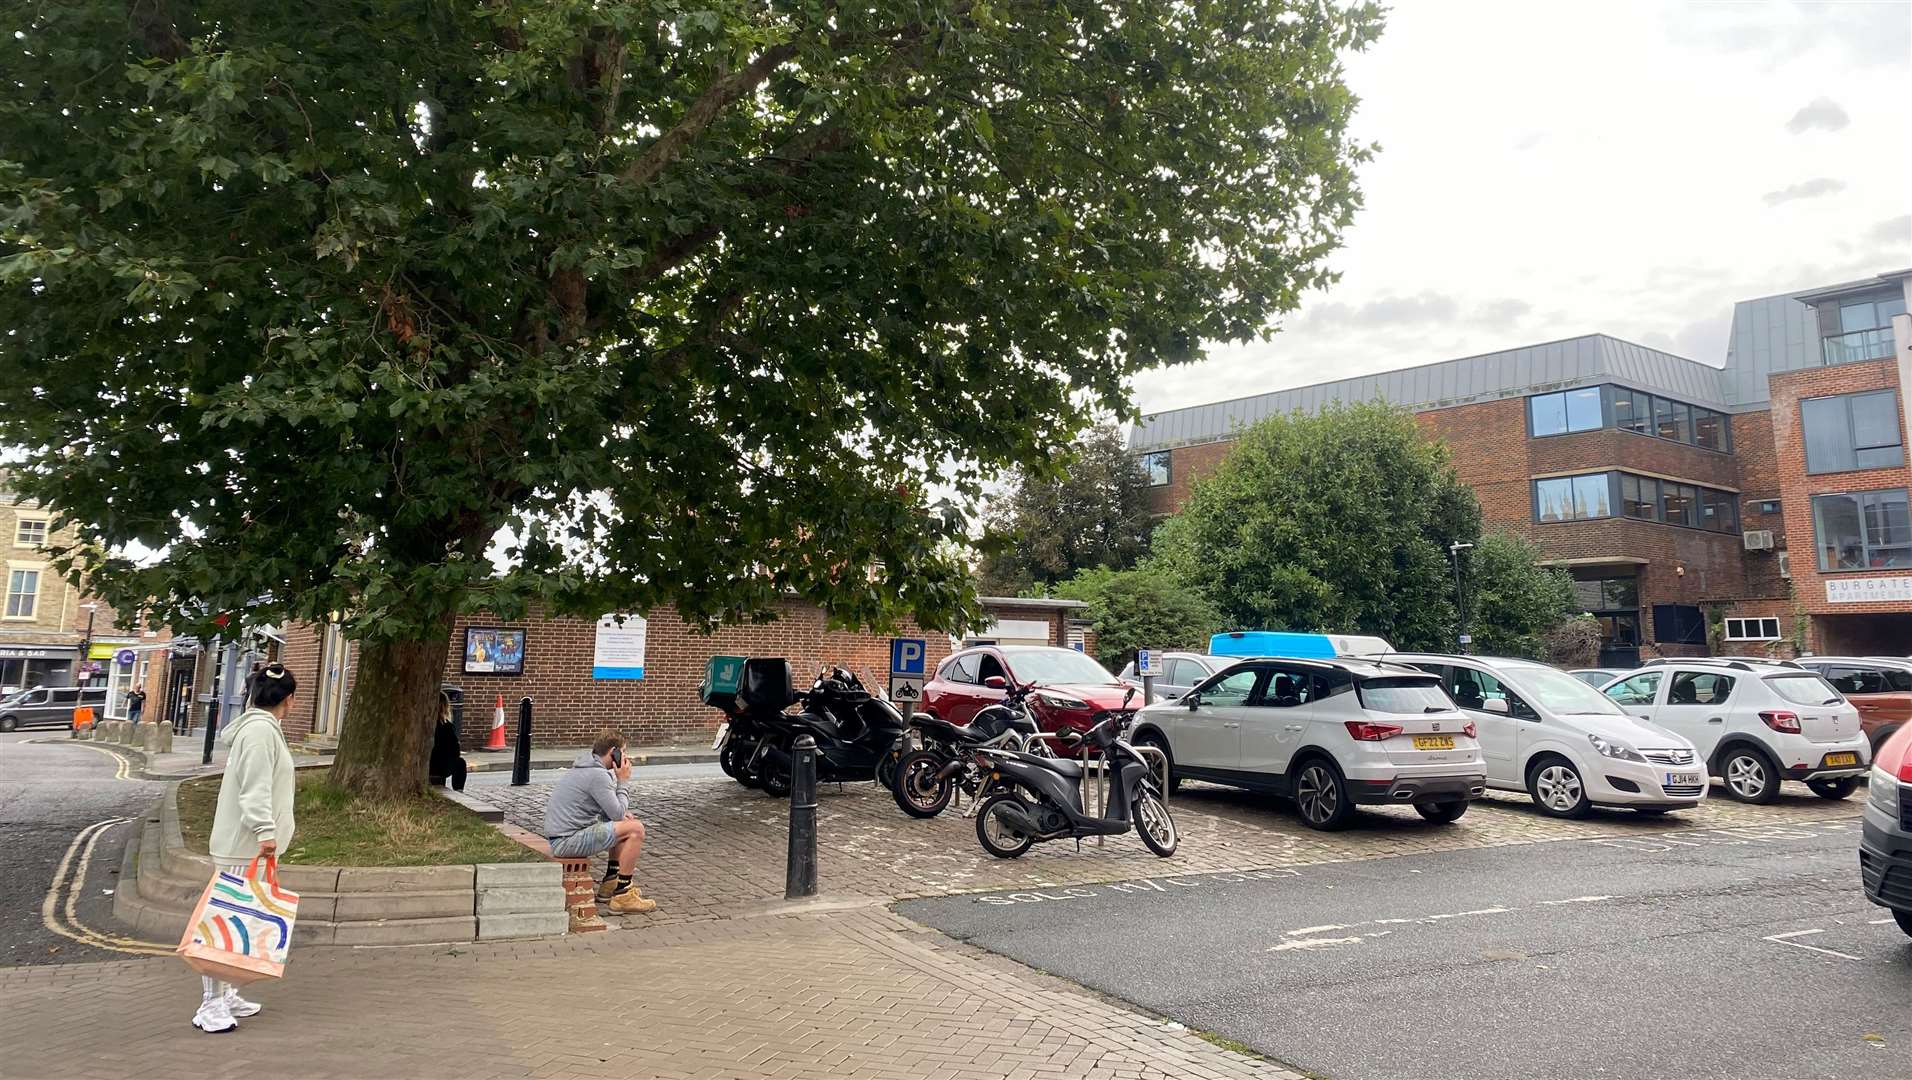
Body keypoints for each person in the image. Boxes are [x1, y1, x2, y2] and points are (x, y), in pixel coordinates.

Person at [194, 663, 298, 1034]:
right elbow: (254, 789)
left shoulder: (263, 729)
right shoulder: (258, 733)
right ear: (288, 699)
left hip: (248, 845)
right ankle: (210, 1004)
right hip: (245, 845)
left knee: (239, 922)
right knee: (225, 923)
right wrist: (265, 832)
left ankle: (227, 993)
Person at [542, 730, 654, 914]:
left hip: (561, 838)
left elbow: (612, 814)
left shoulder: (585, 769)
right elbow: (617, 813)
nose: (625, 757)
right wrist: (623, 781)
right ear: (614, 752)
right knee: (636, 830)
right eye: (623, 752)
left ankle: (611, 881)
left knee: (625, 823)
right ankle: (623, 895)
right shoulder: (598, 776)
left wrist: (622, 815)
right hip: (567, 842)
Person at [429, 694, 468, 792]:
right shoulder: (447, 726)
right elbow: (455, 751)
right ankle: (459, 790)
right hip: (440, 767)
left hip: (428, 763)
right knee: (460, 763)